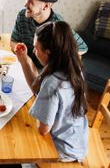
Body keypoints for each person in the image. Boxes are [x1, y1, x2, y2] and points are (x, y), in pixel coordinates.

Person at [14, 21, 88, 162]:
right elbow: (38, 89)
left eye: (36, 48)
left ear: (48, 52)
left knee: (16, 143)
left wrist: (37, 114)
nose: (34, 52)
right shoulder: (74, 68)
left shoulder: (53, 83)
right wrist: (24, 60)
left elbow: (43, 130)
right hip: (77, 140)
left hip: (62, 149)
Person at [10, 0, 88, 68]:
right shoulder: (22, 15)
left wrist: (56, 58)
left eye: (31, 2)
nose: (25, 4)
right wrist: (26, 60)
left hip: (46, 72)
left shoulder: (58, 25)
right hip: (25, 66)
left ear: (46, 6)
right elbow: (13, 41)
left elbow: (83, 48)